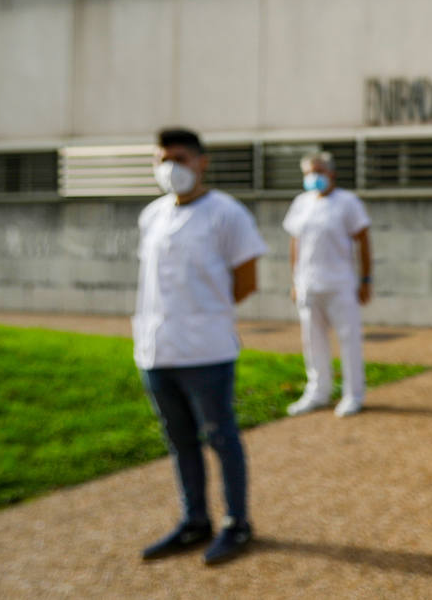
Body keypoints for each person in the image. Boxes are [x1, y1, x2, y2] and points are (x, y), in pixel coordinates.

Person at [135, 127, 267, 565]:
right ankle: (195, 520)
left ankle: (237, 522)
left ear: (200, 161)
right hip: (158, 351)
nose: (170, 168)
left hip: (207, 351)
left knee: (221, 438)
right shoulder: (152, 215)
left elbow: (245, 281)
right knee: (180, 441)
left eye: (179, 158)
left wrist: (204, 313)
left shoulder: (226, 213)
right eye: (162, 160)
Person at [282, 150, 373, 417]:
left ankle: (353, 394)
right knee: (313, 341)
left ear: (331, 173)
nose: (313, 177)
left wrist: (365, 280)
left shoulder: (348, 203)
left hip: (340, 284)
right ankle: (318, 392)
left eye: (318, 171)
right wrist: (295, 280)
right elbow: (295, 243)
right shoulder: (301, 203)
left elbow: (363, 241)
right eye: (309, 172)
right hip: (309, 285)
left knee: (349, 340)